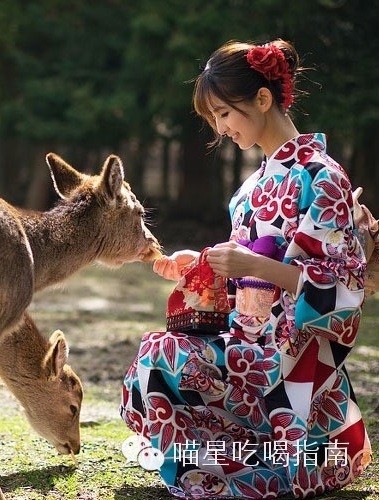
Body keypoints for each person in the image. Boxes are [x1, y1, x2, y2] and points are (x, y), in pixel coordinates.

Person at [121, 39, 372, 498]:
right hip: (244, 346)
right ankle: (225, 458)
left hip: (293, 363)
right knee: (155, 357)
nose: (220, 128)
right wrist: (200, 264)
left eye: (224, 113)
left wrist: (254, 264)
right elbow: (242, 276)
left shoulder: (324, 176)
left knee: (161, 359)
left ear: (262, 99)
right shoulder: (249, 188)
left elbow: (344, 289)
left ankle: (288, 456)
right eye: (213, 118)